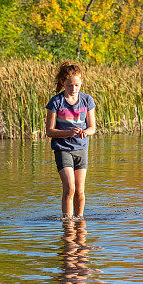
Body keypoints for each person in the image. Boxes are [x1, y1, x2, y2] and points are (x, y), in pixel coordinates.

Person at [45, 62, 96, 221]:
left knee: (80, 190)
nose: (73, 89)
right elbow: (49, 131)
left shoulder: (87, 100)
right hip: (62, 149)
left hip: (81, 149)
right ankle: (68, 223)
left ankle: (79, 222)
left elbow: (92, 127)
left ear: (81, 83)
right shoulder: (56, 102)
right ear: (63, 83)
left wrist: (84, 132)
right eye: (69, 85)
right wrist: (68, 132)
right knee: (69, 189)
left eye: (77, 85)